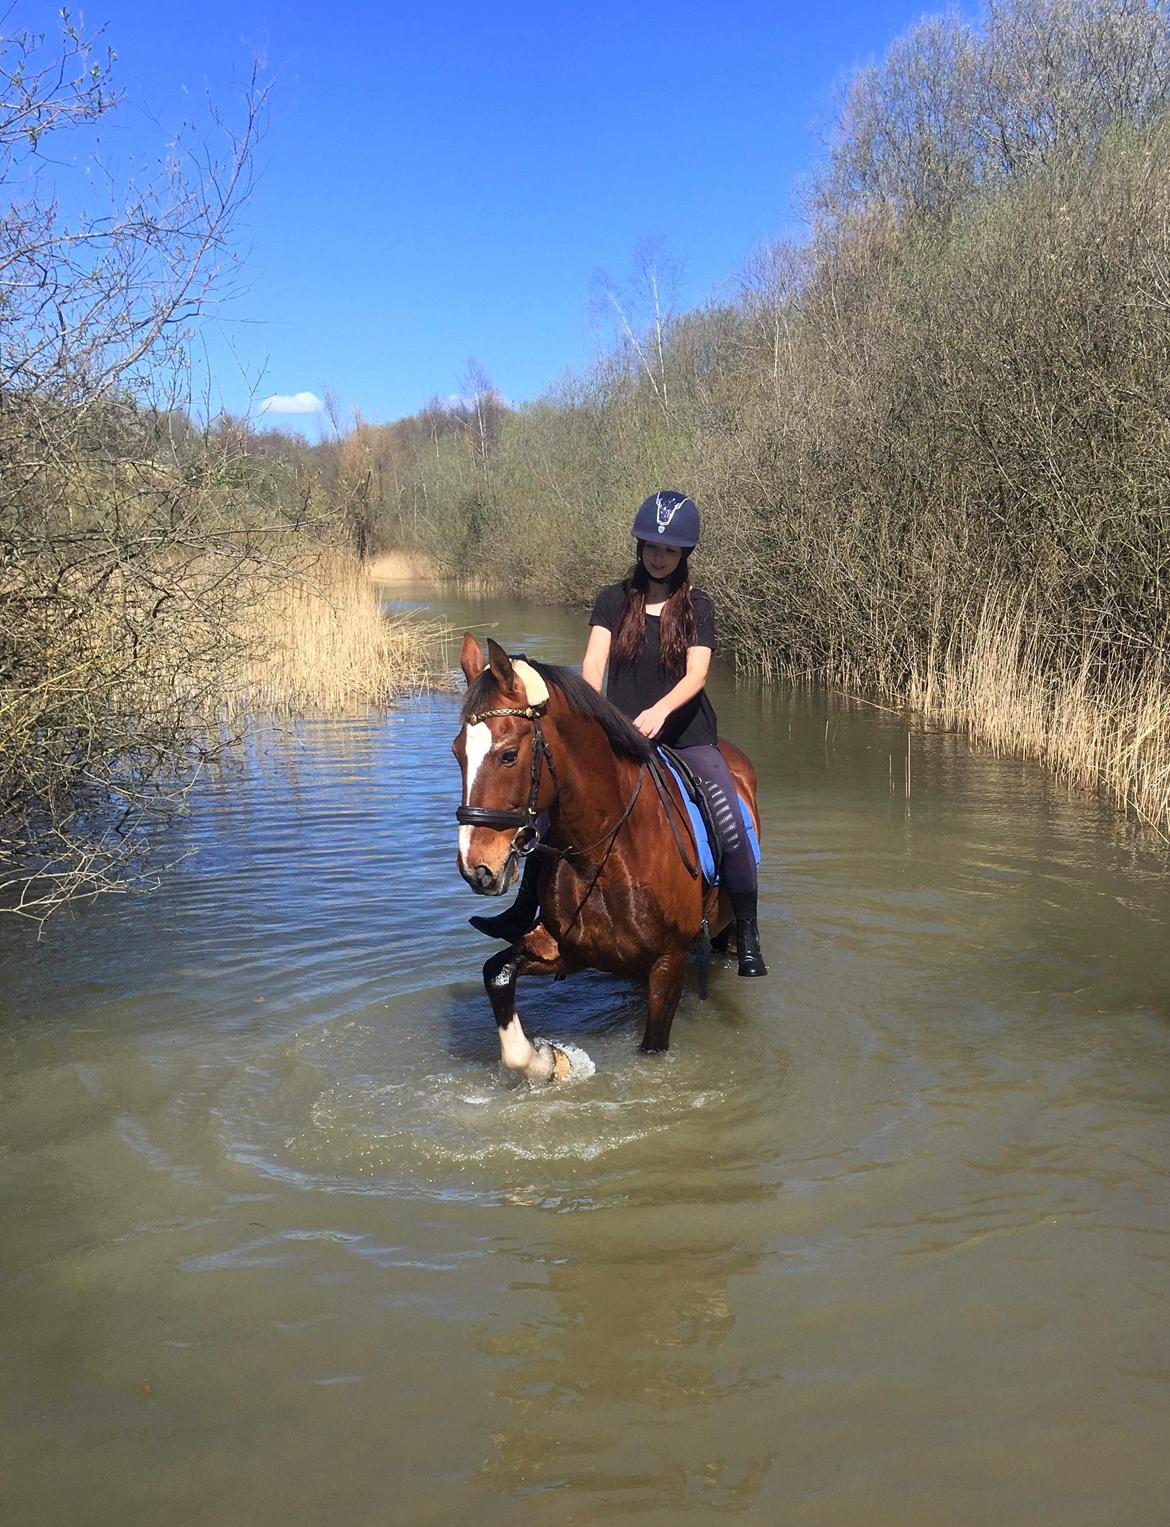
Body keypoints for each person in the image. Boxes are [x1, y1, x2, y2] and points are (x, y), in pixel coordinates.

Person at [470, 490, 766, 976]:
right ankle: (525, 910)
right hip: (621, 732)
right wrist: (595, 717)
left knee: (728, 819)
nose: (658, 555)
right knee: (554, 810)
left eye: (669, 549)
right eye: (651, 545)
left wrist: (659, 711)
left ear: (683, 554)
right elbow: (592, 665)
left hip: (687, 734)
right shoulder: (613, 600)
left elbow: (696, 676)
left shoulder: (698, 607)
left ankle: (747, 932)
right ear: (639, 546)